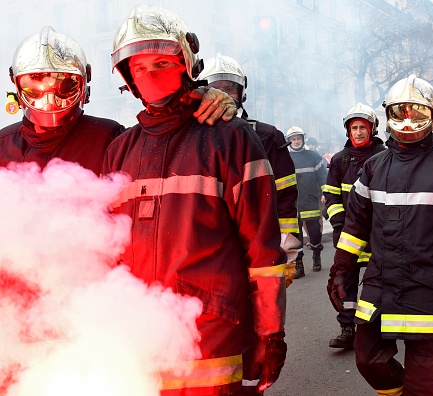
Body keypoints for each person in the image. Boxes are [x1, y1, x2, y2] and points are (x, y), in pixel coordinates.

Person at [102, 5, 286, 395]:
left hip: (210, 337)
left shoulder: (230, 138)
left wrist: (269, 332)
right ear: (127, 78)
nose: (151, 76)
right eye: (139, 68)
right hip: (135, 340)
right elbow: (106, 250)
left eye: (162, 63)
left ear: (186, 63)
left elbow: (263, 251)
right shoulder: (119, 150)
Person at [327, 75, 433, 395]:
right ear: (388, 116)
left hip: (429, 284)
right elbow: (354, 227)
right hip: (380, 281)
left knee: (424, 383)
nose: (409, 120)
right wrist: (341, 270)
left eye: (418, 112)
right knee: (367, 359)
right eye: (401, 112)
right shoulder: (373, 167)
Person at [0, 26, 236, 176]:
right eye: (35, 85)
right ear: (17, 85)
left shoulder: (110, 137)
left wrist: (197, 100)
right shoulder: (2, 145)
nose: (49, 98)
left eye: (63, 86)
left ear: (83, 84)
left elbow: (164, 140)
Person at [198, 53, 299, 395]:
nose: (224, 95)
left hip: (256, 246)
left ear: (243, 93)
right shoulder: (194, 137)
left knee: (258, 335)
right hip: (213, 253)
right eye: (216, 87)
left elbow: (284, 198)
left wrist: (288, 251)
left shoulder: (266, 136)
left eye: (231, 88)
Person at [323, 103, 385, 350]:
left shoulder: (385, 156)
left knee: (377, 283)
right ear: (348, 131)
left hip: (378, 235)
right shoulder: (340, 160)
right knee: (346, 282)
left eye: (363, 127)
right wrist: (339, 224)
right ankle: (347, 328)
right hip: (348, 235)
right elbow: (330, 194)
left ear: (372, 129)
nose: (358, 132)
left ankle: (374, 330)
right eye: (354, 127)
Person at [287, 126, 328, 278]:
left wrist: (325, 192)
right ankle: (299, 265)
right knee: (295, 234)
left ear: (303, 139)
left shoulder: (313, 156)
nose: (296, 141)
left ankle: (316, 254)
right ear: (289, 141)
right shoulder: (285, 157)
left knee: (315, 232)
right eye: (293, 139)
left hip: (310, 199)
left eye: (298, 138)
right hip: (292, 202)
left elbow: (322, 176)